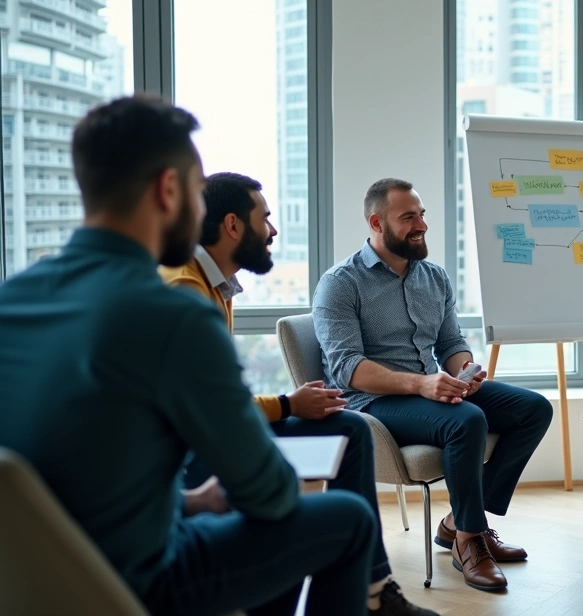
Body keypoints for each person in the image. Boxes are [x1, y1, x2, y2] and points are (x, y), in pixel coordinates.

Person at [0, 95, 377, 615]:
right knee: (347, 519)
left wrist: (192, 502)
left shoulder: (11, 301)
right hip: (140, 580)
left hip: (33, 581)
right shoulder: (173, 313)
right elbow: (268, 496)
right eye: (198, 194)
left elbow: (64, 477)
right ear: (168, 190)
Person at [159, 172, 437, 616]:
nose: (273, 231)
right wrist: (288, 405)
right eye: (264, 219)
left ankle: (373, 590)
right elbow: (207, 412)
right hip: (192, 451)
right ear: (232, 226)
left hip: (215, 432)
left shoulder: (216, 284)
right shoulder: (184, 290)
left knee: (347, 428)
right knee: (328, 485)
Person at [312, 178, 553, 592]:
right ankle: (468, 541)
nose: (421, 224)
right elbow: (348, 367)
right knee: (466, 421)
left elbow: (450, 344)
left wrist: (466, 371)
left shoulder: (434, 278)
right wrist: (422, 384)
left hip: (431, 388)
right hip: (370, 402)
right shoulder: (340, 283)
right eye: (408, 217)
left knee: (533, 409)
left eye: (421, 214)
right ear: (376, 222)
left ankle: (460, 520)